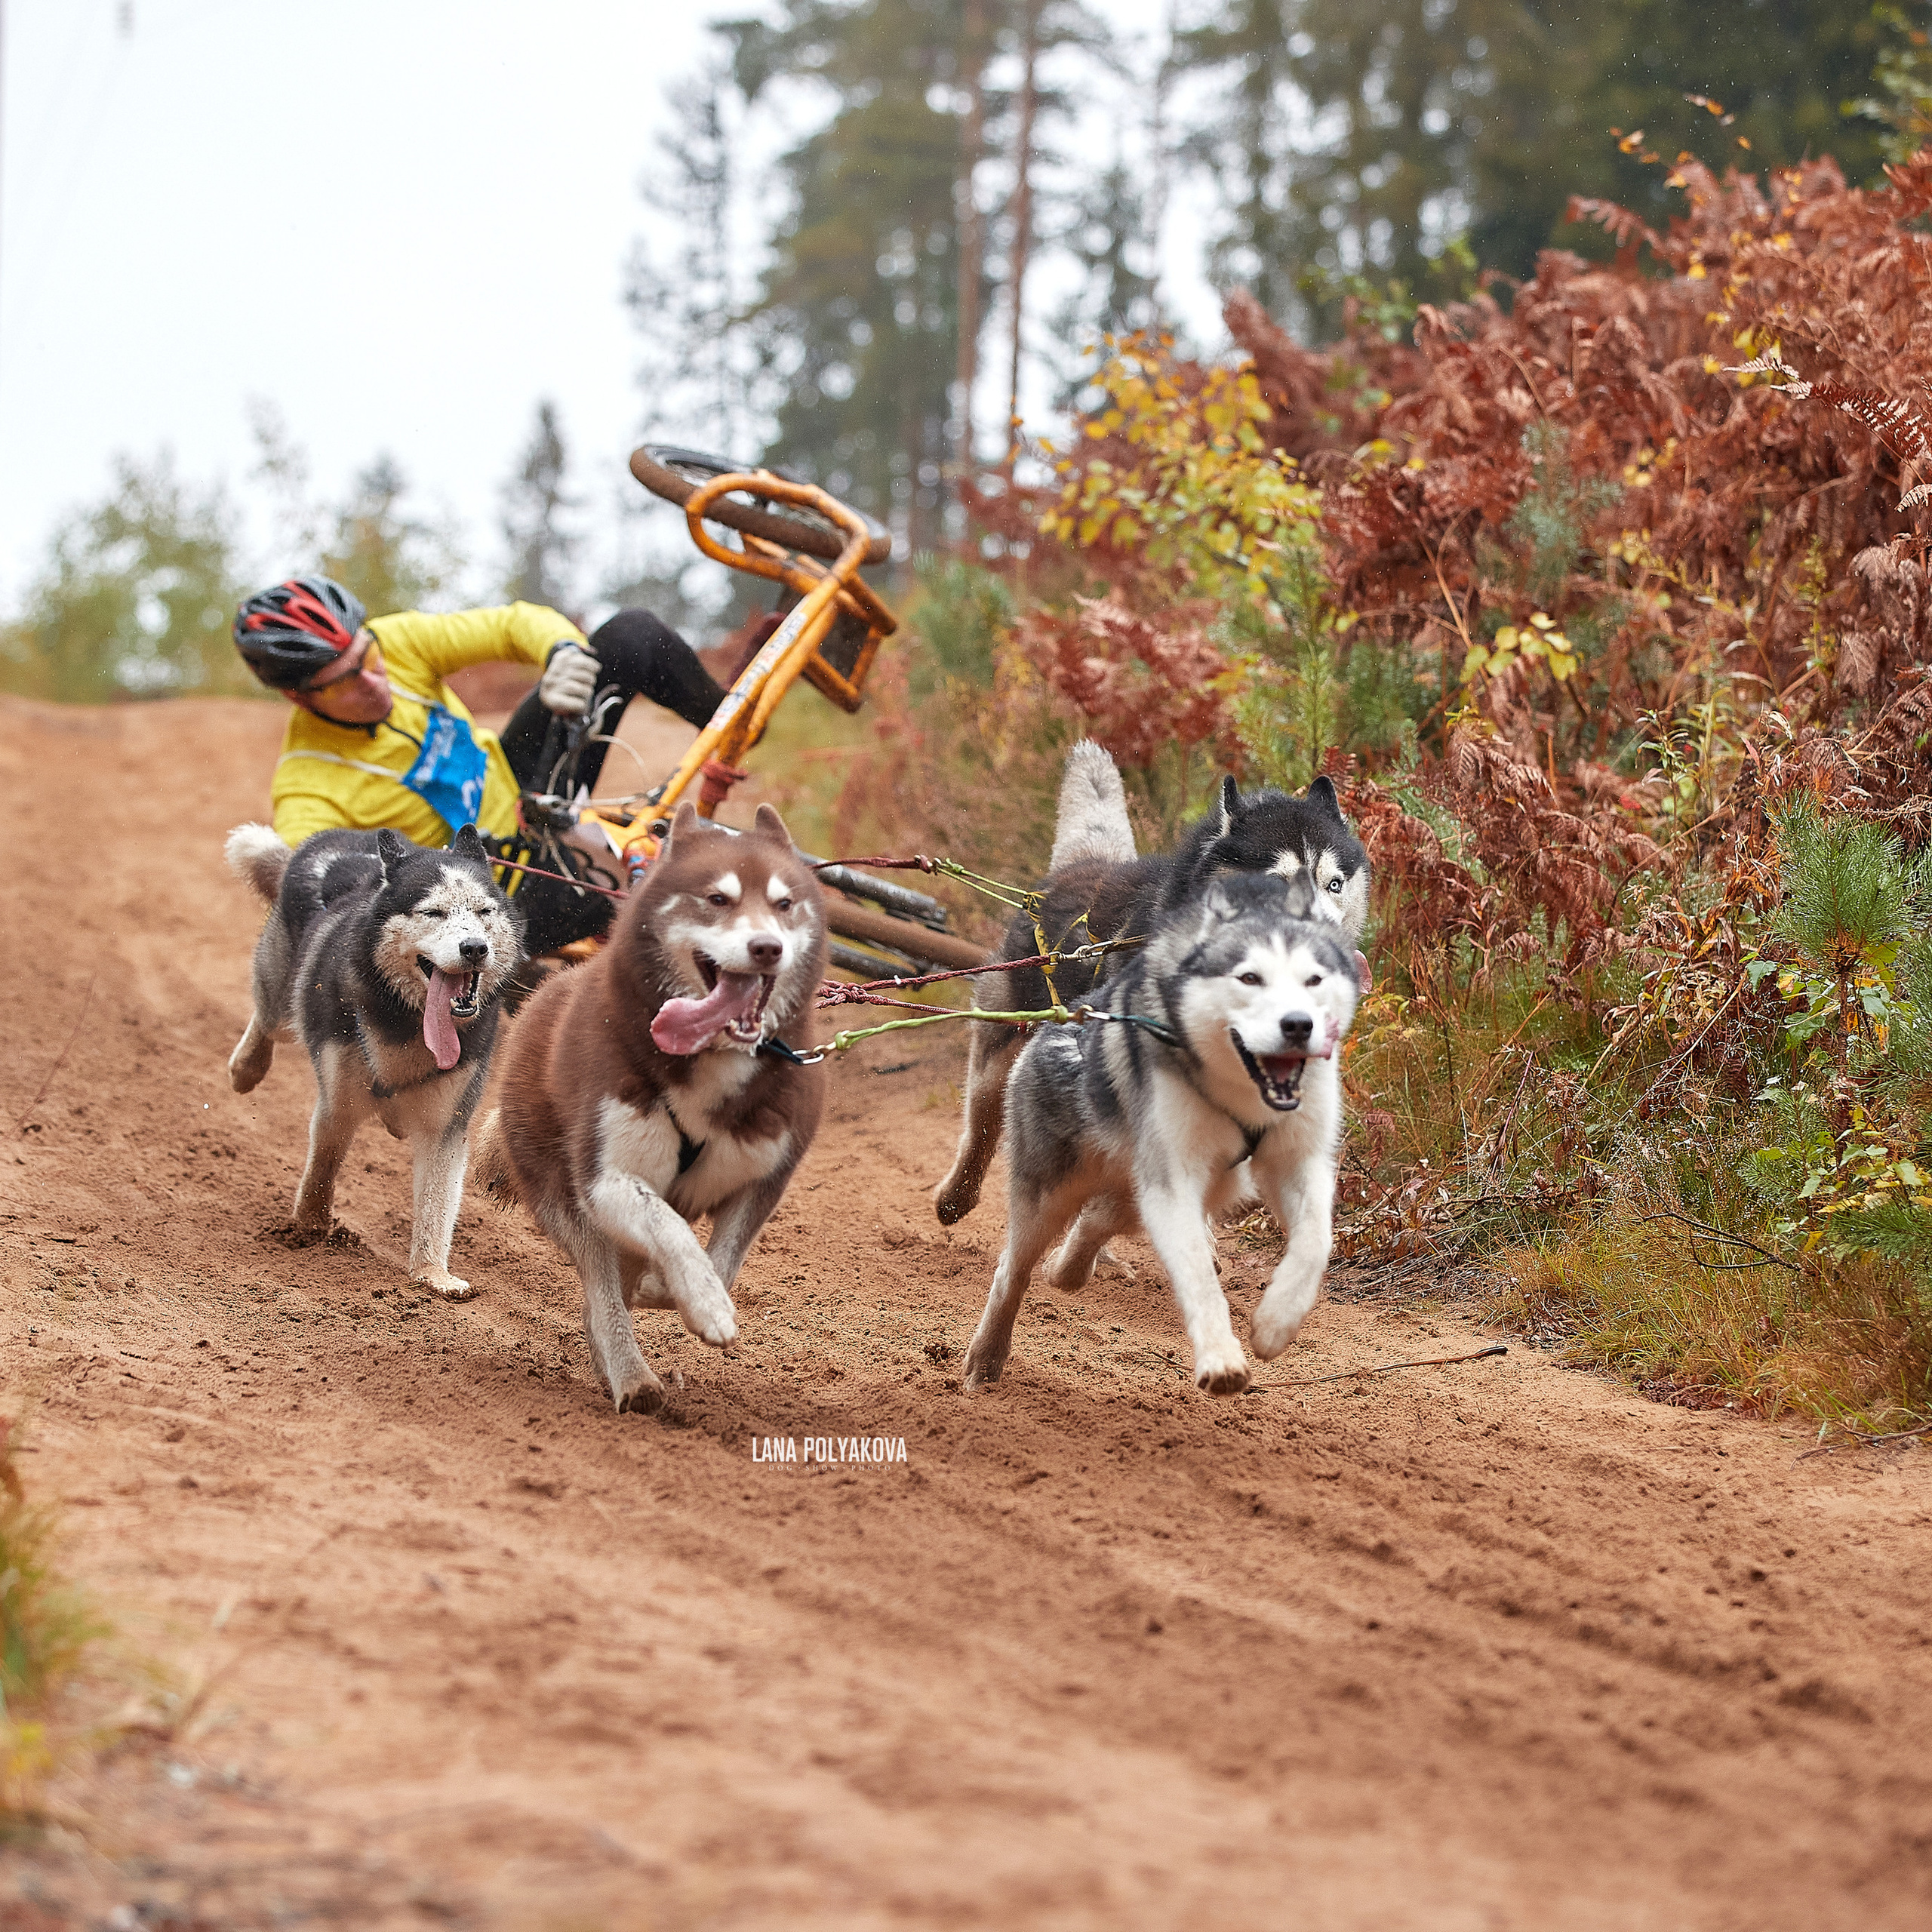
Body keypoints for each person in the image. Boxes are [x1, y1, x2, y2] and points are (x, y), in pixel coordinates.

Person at [232, 575, 749, 955]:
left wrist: (563, 652)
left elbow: (510, 625)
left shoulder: (396, 642)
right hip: (494, 888)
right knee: (646, 903)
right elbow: (311, 885)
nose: (374, 680)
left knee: (631, 636)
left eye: (368, 658)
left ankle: (736, 722)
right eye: (345, 681)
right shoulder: (307, 782)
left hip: (524, 782)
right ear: (300, 698)